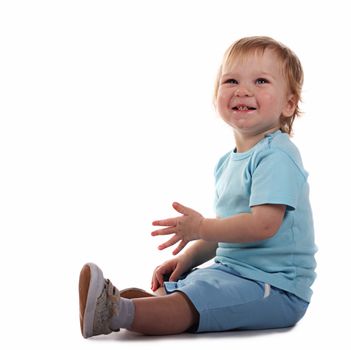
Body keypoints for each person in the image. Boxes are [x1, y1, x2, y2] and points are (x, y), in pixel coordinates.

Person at [78, 36, 317, 338]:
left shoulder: (277, 156)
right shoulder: (227, 163)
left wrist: (201, 227)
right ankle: (118, 304)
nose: (243, 90)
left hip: (276, 288)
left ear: (289, 103)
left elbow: (263, 226)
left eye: (260, 81)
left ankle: (117, 311)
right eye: (231, 80)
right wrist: (187, 258)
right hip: (234, 272)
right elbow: (230, 232)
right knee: (184, 288)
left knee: (193, 301)